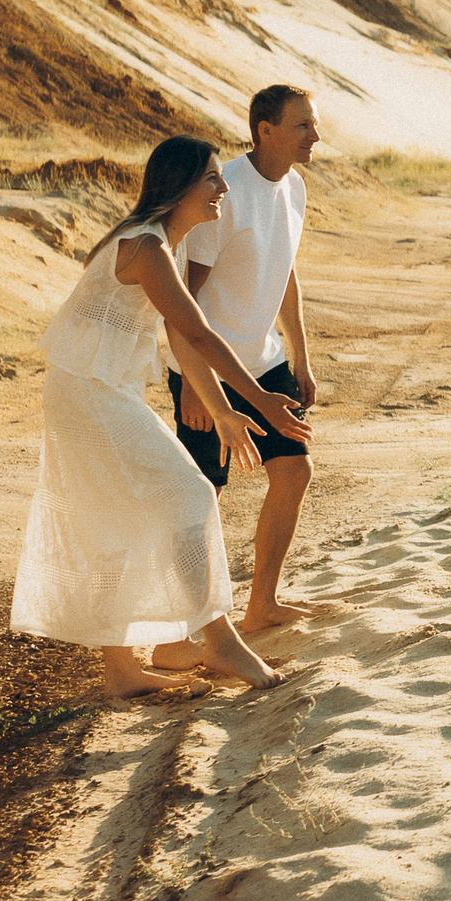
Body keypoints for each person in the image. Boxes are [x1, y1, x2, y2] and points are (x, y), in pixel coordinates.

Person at [10, 136, 297, 697]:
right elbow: (198, 332)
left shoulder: (170, 246)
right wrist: (259, 398)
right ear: (180, 186)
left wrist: (222, 410)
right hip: (88, 391)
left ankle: (122, 671)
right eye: (212, 178)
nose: (224, 187)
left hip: (101, 387)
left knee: (115, 518)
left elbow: (181, 340)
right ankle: (218, 640)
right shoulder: (145, 246)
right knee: (190, 493)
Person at [148, 85, 324, 668]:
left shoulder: (294, 188)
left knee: (294, 470)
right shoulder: (224, 194)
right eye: (302, 125)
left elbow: (286, 273)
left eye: (313, 125)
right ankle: (181, 630)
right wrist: (194, 385)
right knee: (203, 496)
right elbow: (183, 304)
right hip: (207, 365)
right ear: (265, 130)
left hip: (264, 359)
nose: (315, 136)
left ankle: (262, 605)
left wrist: (300, 355)